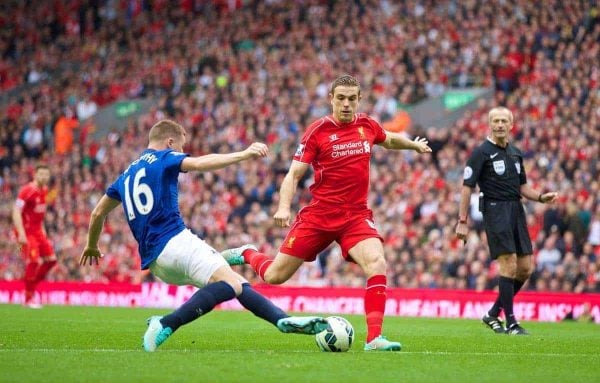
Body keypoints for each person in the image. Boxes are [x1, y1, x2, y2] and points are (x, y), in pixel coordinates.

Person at [221, 75, 432, 351]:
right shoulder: (317, 131)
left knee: (377, 263)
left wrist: (413, 145)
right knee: (274, 276)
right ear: (331, 99)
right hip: (320, 216)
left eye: (351, 98)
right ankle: (248, 252)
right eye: (341, 98)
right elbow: (294, 174)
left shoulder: (367, 124)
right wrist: (284, 206)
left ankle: (374, 339)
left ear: (359, 99)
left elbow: (388, 139)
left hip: (355, 216)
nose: (346, 104)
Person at [79, 119, 327, 352]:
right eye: (181, 146)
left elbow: (97, 213)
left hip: (157, 264)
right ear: (170, 143)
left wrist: (91, 245)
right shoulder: (163, 157)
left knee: (233, 283)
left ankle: (282, 320)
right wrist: (244, 154)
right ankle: (166, 323)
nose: (182, 150)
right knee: (230, 282)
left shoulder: (125, 176)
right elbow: (198, 164)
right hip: (175, 241)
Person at [455, 106, 558, 335]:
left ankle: (492, 314)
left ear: (511, 125)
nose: (500, 125)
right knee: (509, 263)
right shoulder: (480, 153)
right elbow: (467, 187)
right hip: (494, 210)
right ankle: (511, 322)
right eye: (496, 121)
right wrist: (462, 220)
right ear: (489, 124)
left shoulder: (515, 153)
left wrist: (541, 197)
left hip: (516, 210)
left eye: (504, 121)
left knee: (525, 268)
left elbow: (523, 187)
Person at [12, 164, 57, 308]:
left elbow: (39, 215)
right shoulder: (27, 191)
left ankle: (30, 286)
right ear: (35, 175)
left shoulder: (44, 190)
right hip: (27, 232)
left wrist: (43, 232)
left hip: (38, 232)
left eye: (46, 174)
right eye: (41, 174)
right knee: (34, 261)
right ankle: (28, 298)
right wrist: (21, 234)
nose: (44, 177)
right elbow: (16, 212)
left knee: (51, 260)